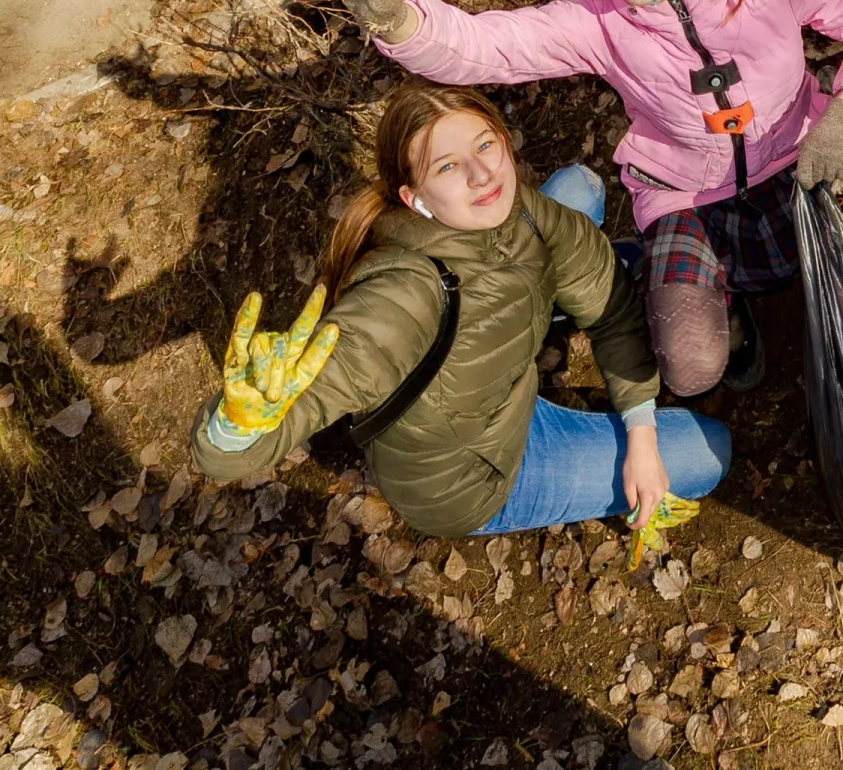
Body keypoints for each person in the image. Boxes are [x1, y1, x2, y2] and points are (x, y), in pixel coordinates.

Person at [341, 0, 843, 395]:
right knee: (690, 367)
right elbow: (488, 48)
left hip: (801, 159)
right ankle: (729, 317)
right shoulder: (599, 23)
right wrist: (397, 18)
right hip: (687, 194)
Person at [190, 81, 731, 541]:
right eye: (448, 166)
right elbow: (242, 447)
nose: (482, 175)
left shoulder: (519, 209)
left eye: (485, 146)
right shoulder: (404, 296)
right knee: (709, 452)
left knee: (579, 189)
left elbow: (613, 308)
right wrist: (237, 429)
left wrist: (639, 434)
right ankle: (542, 321)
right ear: (414, 198)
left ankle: (541, 309)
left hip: (501, 386)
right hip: (477, 475)